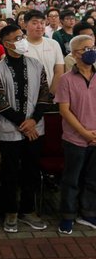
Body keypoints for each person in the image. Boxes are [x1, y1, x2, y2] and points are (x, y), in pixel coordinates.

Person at [0, 25, 52, 233]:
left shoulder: (36, 65)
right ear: (7, 44)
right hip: (10, 131)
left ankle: (28, 210)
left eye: (22, 36)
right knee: (10, 172)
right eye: (18, 37)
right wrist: (24, 124)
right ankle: (10, 212)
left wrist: (33, 120)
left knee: (31, 171)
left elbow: (45, 95)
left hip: (35, 128)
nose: (22, 40)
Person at [55, 35, 96, 234]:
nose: (90, 51)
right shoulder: (66, 79)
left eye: (92, 47)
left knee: (92, 178)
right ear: (74, 54)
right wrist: (84, 133)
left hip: (95, 137)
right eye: (85, 49)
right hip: (75, 139)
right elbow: (64, 110)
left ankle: (88, 213)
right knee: (71, 180)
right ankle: (68, 216)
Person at [24, 10, 64, 95]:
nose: (39, 26)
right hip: (29, 95)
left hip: (52, 94)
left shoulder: (53, 44)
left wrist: (51, 94)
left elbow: (59, 71)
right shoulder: (20, 47)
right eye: (35, 23)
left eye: (42, 23)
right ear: (25, 25)